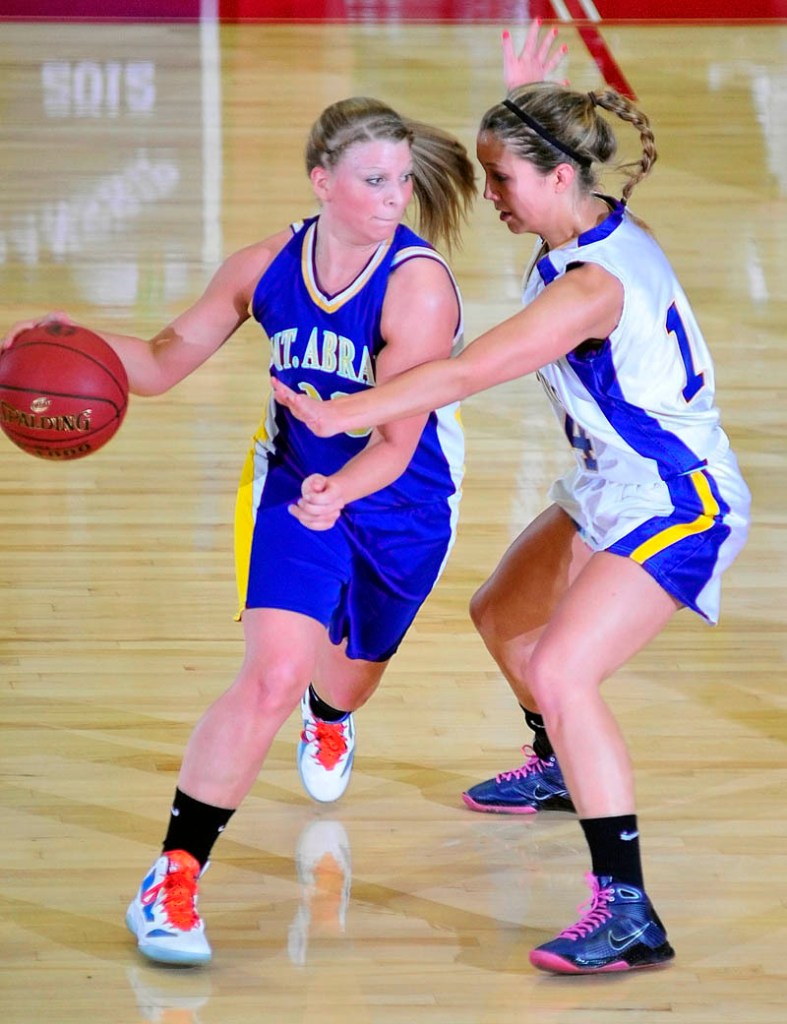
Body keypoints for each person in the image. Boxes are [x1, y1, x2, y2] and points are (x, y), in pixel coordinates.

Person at [272, 54, 752, 975]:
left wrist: (342, 412)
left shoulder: (587, 288)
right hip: (614, 480)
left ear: (559, 176)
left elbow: (461, 372)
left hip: (677, 494)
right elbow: (535, 160)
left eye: (503, 177)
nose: (490, 193)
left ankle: (628, 908)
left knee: (566, 669)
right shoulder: (591, 229)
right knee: (502, 617)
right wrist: (513, 102)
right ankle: (561, 771)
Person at [3, 96, 477, 965]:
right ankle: (172, 879)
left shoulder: (416, 286)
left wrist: (346, 485)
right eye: (374, 181)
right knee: (270, 676)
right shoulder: (263, 268)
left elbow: (397, 439)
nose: (393, 199)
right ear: (320, 182)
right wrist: (44, 338)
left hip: (400, 498)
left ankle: (329, 713)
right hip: (297, 490)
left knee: (343, 678)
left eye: (402, 182)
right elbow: (151, 365)